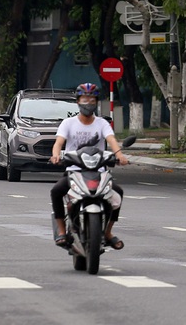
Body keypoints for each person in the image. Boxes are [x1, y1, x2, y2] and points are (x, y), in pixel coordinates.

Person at [49, 83, 128, 250]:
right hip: (74, 171)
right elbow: (59, 143)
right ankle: (62, 231)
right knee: (56, 191)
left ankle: (107, 232)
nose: (88, 103)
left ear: (96, 102)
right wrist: (56, 155)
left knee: (118, 192)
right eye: (84, 99)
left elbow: (111, 140)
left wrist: (119, 155)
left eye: (92, 99)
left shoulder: (102, 123)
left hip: (98, 172)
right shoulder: (68, 123)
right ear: (78, 101)